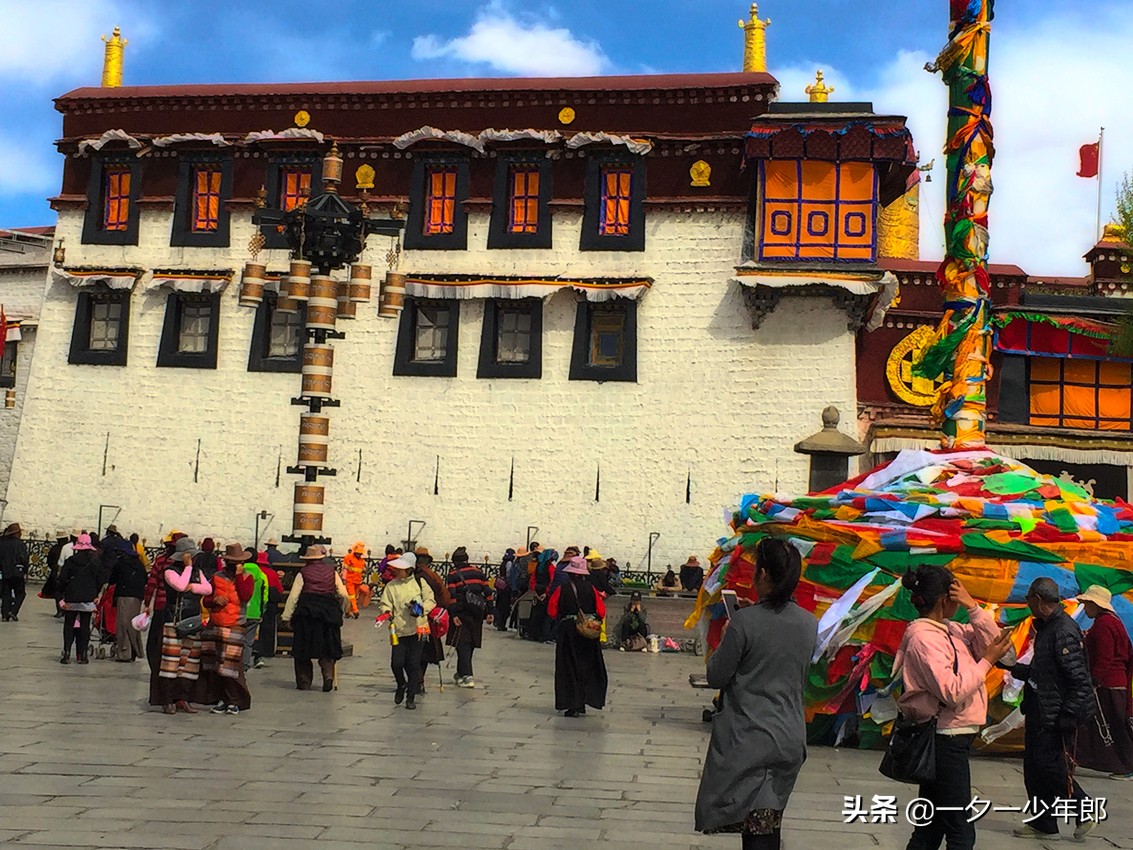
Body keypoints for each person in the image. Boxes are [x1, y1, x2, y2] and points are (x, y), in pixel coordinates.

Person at [694, 538, 819, 849]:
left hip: (752, 737)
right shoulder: (809, 623)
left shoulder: (743, 623)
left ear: (763, 575)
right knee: (767, 821)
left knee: (757, 832)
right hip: (790, 736)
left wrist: (728, 635)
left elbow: (716, 676)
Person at [891, 564, 1013, 850]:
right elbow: (953, 690)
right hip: (944, 738)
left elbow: (1001, 649)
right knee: (960, 831)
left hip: (954, 736)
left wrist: (973, 608)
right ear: (946, 600)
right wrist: (987, 661)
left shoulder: (952, 629)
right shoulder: (924, 638)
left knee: (930, 828)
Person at [1009, 577, 1096, 841]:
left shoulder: (1063, 630)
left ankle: (1084, 809)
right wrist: (1012, 667)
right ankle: (1043, 823)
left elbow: (1080, 680)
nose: (1027, 604)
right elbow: (1044, 672)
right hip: (1039, 707)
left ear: (1036, 599)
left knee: (1051, 767)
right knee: (1034, 768)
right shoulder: (1047, 627)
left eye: (1028, 600)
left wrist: (1069, 714)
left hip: (1056, 713)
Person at [1074, 585, 1133, 778]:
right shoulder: (1113, 622)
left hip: (1107, 684)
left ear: (1095, 604)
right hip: (1117, 682)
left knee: (1112, 725)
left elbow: (1104, 657)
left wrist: (1094, 681)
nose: (1085, 609)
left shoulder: (1104, 624)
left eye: (1087, 605)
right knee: (1116, 724)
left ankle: (1125, 765)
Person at [150, 537, 212, 715]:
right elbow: (179, 585)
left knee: (189, 662)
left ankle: (182, 698)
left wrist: (192, 586)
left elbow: (207, 589)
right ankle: (167, 700)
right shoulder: (170, 571)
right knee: (171, 662)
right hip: (173, 620)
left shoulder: (196, 572)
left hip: (192, 619)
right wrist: (189, 569)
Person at [282, 544, 349, 692]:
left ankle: (304, 681)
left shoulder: (303, 573)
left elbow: (294, 597)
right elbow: (344, 594)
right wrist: (340, 611)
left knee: (303, 650)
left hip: (307, 614)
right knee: (327, 649)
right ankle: (328, 677)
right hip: (328, 614)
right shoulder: (332, 572)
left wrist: (287, 616)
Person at [548, 555, 608, 717]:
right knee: (586, 667)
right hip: (588, 633)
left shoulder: (563, 588)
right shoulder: (591, 588)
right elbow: (601, 611)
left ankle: (571, 704)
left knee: (568, 667)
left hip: (568, 632)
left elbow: (552, 611)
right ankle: (583, 702)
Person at [198, 544, 253, 715]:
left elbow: (245, 596)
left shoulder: (247, 578)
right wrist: (215, 600)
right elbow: (205, 600)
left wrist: (239, 577)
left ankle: (234, 700)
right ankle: (221, 698)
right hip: (217, 624)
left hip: (236, 624)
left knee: (231, 666)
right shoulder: (216, 577)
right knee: (217, 665)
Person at [376, 552, 434, 710]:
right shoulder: (391, 586)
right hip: (399, 630)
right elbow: (384, 603)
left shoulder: (419, 583)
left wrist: (420, 608)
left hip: (418, 629)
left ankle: (411, 697)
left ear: (409, 569)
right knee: (396, 663)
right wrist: (386, 612)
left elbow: (430, 600)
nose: (397, 571)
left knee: (414, 664)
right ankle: (401, 684)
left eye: (401, 569)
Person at [446, 546, 489, 688]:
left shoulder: (453, 575)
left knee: (462, 643)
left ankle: (468, 675)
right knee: (470, 643)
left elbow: (451, 596)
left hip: (461, 612)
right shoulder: (478, 572)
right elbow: (488, 592)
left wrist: (453, 615)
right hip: (477, 613)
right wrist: (490, 612)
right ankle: (460, 674)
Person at [56, 533, 103, 664]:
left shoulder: (70, 562)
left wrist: (60, 599)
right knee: (84, 626)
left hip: (71, 598)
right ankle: (83, 655)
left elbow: (61, 581)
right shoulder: (95, 563)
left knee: (69, 626)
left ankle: (66, 653)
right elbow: (99, 580)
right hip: (88, 599)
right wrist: (96, 594)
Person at [413, 547, 451, 695]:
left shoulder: (413, 575)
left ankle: (416, 680)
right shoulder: (433, 576)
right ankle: (420, 680)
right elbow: (443, 597)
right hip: (430, 619)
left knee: (414, 650)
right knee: (425, 652)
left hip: (416, 616)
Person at [108, 535, 147, 662]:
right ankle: (135, 650)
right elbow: (145, 580)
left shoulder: (121, 563)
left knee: (123, 624)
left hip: (124, 596)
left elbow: (112, 579)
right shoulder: (139, 564)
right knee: (133, 624)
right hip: (137, 597)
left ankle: (125, 652)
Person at [240, 548, 269, 671]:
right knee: (248, 642)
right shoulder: (262, 575)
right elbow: (265, 597)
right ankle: (245, 664)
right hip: (255, 611)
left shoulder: (239, 572)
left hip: (239, 610)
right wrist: (262, 611)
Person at [254, 553, 284, 664]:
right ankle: (267, 650)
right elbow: (279, 589)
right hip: (270, 604)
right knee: (268, 628)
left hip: (254, 603)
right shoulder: (271, 573)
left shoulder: (254, 572)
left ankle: (254, 648)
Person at [0, 522, 29, 622]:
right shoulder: (21, 545)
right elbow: (24, 559)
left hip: (5, 572)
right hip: (17, 572)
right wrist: (25, 570)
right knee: (21, 593)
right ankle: (13, 611)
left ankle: (4, 614)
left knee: (6, 593)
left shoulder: (3, 544)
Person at [42, 531, 69, 618]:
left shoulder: (54, 548)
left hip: (56, 572)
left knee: (58, 592)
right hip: (67, 572)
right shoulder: (68, 548)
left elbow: (49, 561)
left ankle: (59, 610)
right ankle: (65, 609)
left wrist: (54, 568)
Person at [341, 541, 367, 619]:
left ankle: (348, 612)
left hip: (358, 581)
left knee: (353, 597)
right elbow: (345, 569)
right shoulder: (348, 558)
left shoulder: (362, 561)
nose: (359, 554)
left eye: (360, 553)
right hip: (350, 581)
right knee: (352, 596)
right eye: (358, 553)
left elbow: (362, 570)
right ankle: (355, 611)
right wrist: (344, 579)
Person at [494, 548, 515, 632]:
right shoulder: (509, 563)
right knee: (505, 606)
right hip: (505, 587)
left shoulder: (503, 563)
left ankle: (498, 622)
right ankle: (501, 624)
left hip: (500, 586)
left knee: (499, 605)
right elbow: (509, 575)